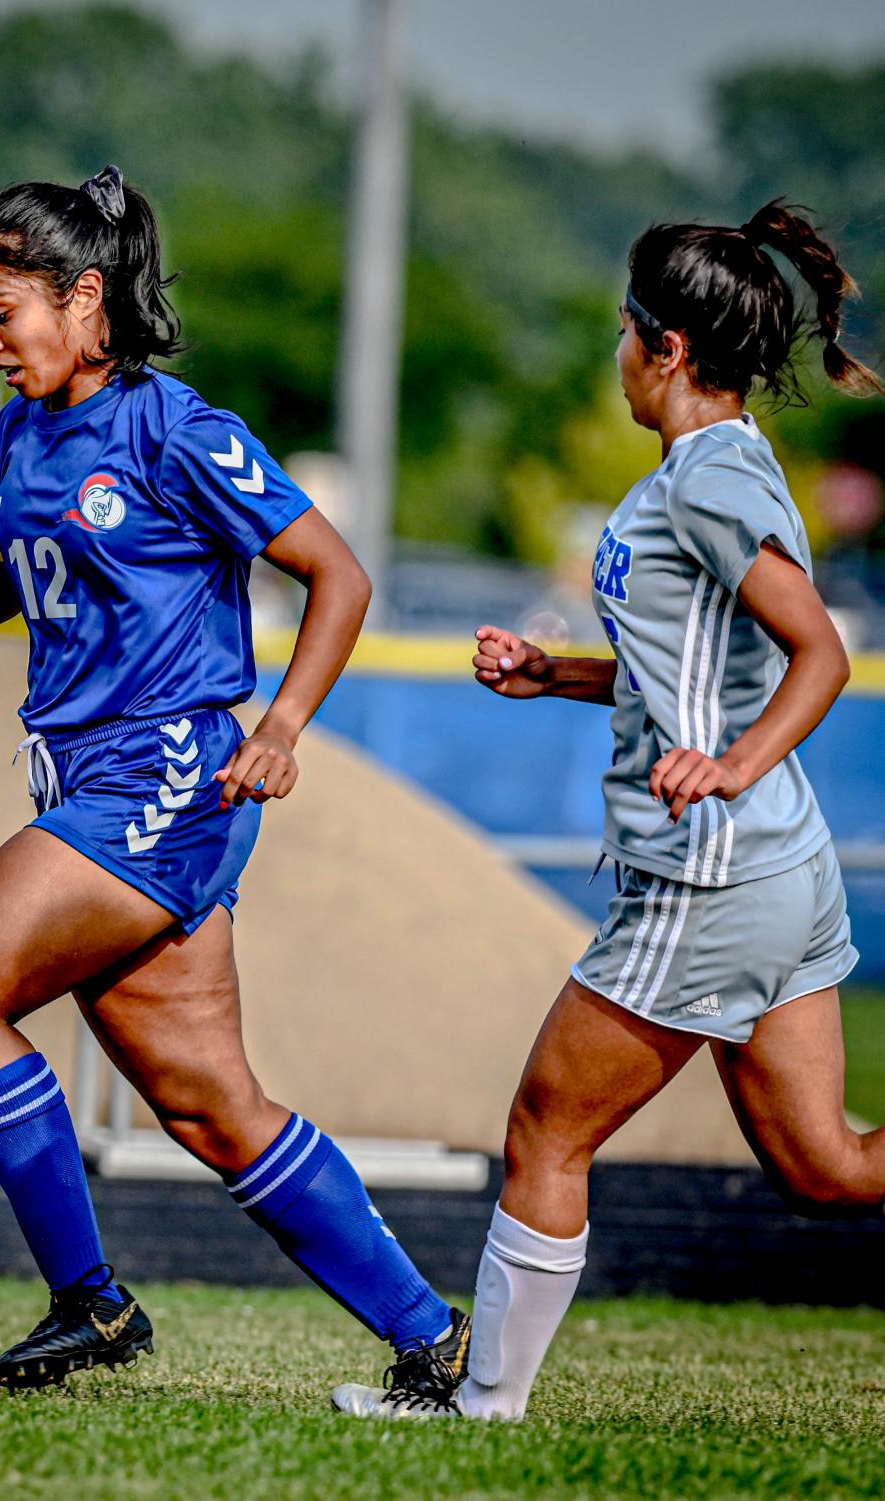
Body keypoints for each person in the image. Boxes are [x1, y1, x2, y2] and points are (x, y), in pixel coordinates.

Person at [0, 166, 469, 1397]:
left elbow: (340, 575)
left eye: (4, 311)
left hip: (168, 773)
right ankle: (433, 1338)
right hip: (90, 783)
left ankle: (91, 1302)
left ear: (83, 295)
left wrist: (284, 726)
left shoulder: (175, 426)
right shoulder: (20, 434)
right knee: (211, 1105)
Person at [333, 199, 883, 1420]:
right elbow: (698, 665)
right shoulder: (711, 472)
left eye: (624, 332)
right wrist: (553, 675)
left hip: (712, 872)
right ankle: (483, 1396)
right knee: (829, 1165)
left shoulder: (710, 477)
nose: (618, 354)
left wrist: (732, 766)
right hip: (772, 871)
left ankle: (481, 1403)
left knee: (544, 1128)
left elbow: (822, 653)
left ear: (667, 348)